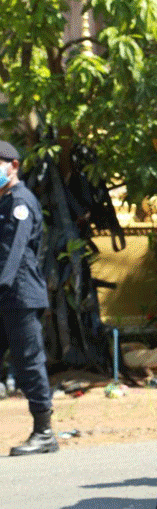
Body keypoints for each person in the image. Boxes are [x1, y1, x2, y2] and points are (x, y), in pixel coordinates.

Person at [0, 140, 57, 457]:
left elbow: (14, 253)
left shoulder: (21, 202)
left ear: (14, 166)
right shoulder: (4, 201)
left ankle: (44, 433)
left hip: (20, 296)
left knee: (29, 364)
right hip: (5, 295)